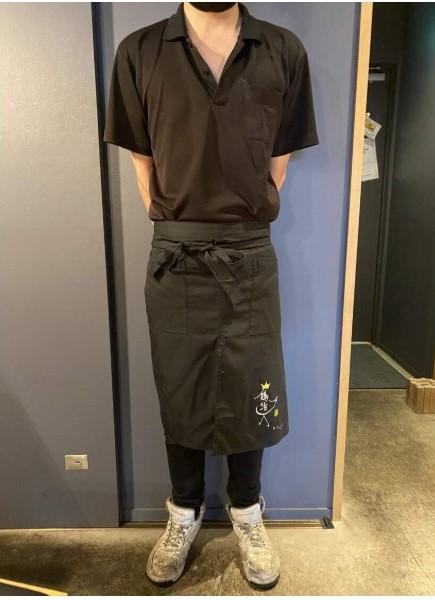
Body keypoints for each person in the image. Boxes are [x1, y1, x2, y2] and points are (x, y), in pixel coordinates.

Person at [103, 1, 319, 590]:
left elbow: (278, 163)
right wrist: (177, 220)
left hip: (249, 251)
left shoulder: (283, 51)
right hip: (176, 253)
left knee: (254, 383)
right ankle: (184, 511)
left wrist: (238, 217)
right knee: (179, 383)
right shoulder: (139, 52)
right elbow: (143, 162)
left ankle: (247, 510)